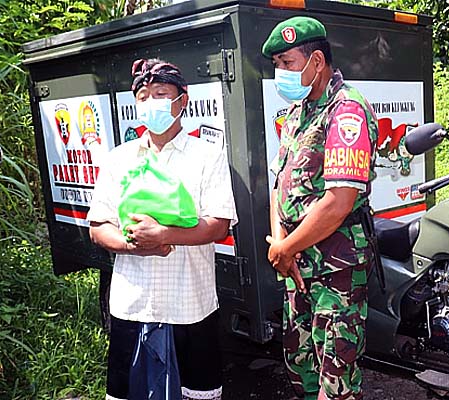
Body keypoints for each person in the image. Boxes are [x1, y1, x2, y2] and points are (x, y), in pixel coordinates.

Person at [87, 58, 236, 400]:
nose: (151, 102)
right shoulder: (118, 159)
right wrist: (138, 245)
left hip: (191, 305)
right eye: (143, 95)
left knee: (197, 393)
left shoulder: (207, 156)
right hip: (131, 305)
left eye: (161, 93)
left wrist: (166, 236)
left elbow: (219, 225)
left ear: (182, 100)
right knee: (130, 393)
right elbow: (98, 228)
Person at [262, 16, 379, 400]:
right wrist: (281, 245)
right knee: (301, 365)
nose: (281, 72)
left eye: (288, 64)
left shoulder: (346, 111)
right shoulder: (297, 115)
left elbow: (338, 202)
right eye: (277, 65)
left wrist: (286, 248)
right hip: (297, 265)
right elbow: (280, 185)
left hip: (336, 268)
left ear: (316, 61)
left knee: (336, 377)